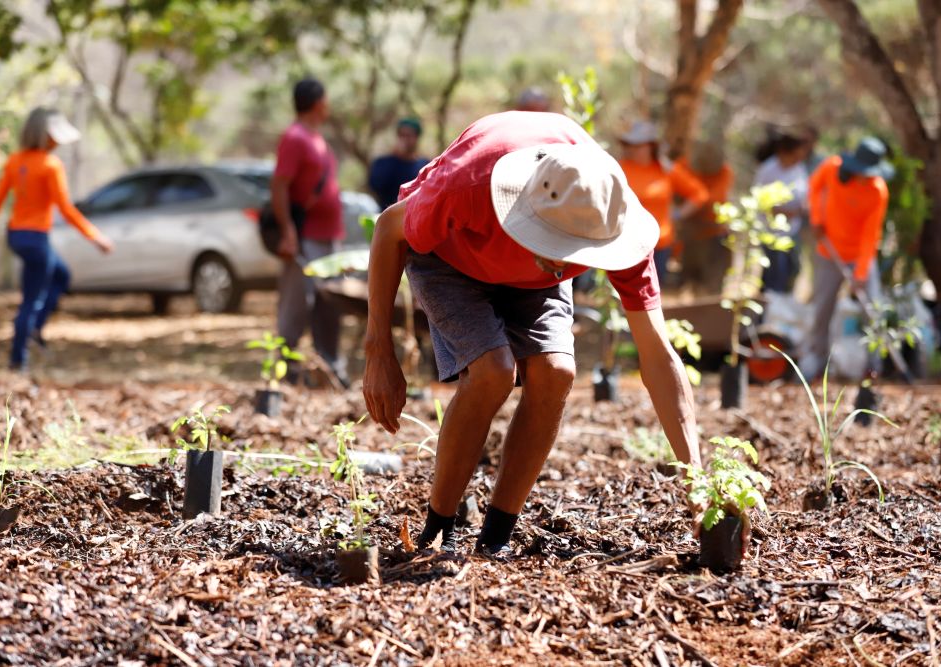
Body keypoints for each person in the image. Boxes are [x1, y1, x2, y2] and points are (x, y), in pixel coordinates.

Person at [362, 111, 714, 557]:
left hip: (528, 278)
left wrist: (697, 483)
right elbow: (389, 229)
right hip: (452, 258)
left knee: (557, 372)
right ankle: (438, 528)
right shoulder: (468, 185)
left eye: (573, 254)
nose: (562, 265)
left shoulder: (602, 213)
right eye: (553, 248)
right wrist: (379, 352)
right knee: (492, 371)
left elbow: (658, 356)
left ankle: (495, 540)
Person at [0, 108, 113, 370]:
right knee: (32, 297)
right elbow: (65, 208)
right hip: (36, 239)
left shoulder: (15, 160)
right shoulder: (50, 165)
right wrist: (94, 236)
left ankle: (33, 331)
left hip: (16, 236)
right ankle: (19, 359)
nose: (57, 143)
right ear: (46, 136)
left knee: (61, 275)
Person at [270, 77, 347, 385]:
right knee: (295, 306)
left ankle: (329, 369)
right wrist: (288, 231)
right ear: (319, 103)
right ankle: (284, 373)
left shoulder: (316, 138)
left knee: (330, 305)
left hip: (329, 236)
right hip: (306, 237)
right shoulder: (295, 137)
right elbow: (279, 187)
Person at [802, 137, 892, 379]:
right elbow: (813, 186)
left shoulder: (877, 191)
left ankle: (873, 367)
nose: (866, 177)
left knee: (872, 309)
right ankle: (817, 360)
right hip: (828, 252)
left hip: (859, 256)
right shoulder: (831, 168)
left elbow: (870, 235)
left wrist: (861, 273)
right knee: (823, 309)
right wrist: (816, 220)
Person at [617, 121, 709, 286]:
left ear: (651, 146)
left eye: (639, 145)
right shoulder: (620, 168)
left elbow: (699, 193)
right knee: (624, 291)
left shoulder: (666, 170)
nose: (634, 149)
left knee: (651, 293)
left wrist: (677, 214)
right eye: (631, 145)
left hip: (660, 243)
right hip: (626, 241)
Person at [753, 131, 809, 294]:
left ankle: (780, 308)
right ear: (784, 152)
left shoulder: (798, 168)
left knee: (792, 270)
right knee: (774, 277)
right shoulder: (768, 170)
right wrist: (783, 212)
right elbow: (760, 201)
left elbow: (804, 193)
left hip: (791, 232)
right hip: (772, 233)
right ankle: (767, 312)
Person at [681, 141, 734, 294]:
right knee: (689, 281)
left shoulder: (725, 172)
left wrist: (694, 197)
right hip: (691, 235)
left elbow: (713, 199)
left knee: (713, 284)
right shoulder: (685, 167)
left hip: (715, 234)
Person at [368, 118, 429, 210]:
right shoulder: (382, 163)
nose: (404, 139)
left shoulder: (424, 166)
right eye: (401, 135)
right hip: (386, 216)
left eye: (408, 135)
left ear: (416, 138)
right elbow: (376, 185)